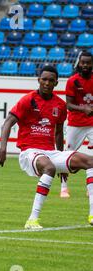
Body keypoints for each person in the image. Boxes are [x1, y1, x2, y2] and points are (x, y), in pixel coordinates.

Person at [0, 65, 93, 229]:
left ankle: (92, 214)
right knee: (49, 167)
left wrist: (63, 161)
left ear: (56, 83)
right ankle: (32, 220)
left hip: (51, 152)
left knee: (90, 161)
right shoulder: (28, 100)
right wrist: (2, 149)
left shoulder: (60, 105)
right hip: (29, 152)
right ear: (38, 80)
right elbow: (7, 123)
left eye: (51, 80)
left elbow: (59, 133)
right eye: (44, 79)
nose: (47, 83)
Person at [60, 51, 93, 198]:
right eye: (83, 62)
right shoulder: (72, 81)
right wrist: (84, 109)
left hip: (92, 124)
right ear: (79, 63)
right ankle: (64, 187)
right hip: (75, 124)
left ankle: (90, 187)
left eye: (88, 62)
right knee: (67, 156)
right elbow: (69, 105)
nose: (85, 65)